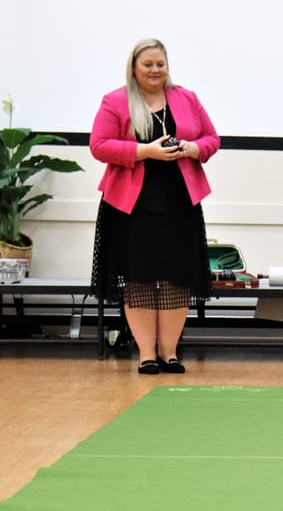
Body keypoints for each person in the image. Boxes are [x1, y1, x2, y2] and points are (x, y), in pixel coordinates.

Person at [90, 38, 220, 375]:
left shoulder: (187, 98)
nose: (155, 70)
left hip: (180, 203)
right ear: (134, 67)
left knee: (177, 279)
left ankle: (170, 353)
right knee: (139, 279)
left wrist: (192, 148)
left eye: (160, 64)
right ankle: (146, 354)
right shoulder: (116, 100)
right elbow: (99, 146)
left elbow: (212, 139)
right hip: (131, 207)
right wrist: (145, 151)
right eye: (147, 64)